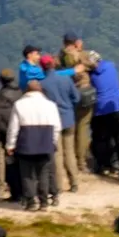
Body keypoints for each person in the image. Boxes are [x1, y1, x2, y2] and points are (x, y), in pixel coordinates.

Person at [6, 80, 61, 210]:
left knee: (27, 174)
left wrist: (10, 145)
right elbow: (57, 126)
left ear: (27, 90)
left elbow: (13, 127)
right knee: (43, 173)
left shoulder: (19, 105)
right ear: (40, 90)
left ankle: (31, 201)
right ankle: (44, 202)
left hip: (26, 143)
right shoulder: (51, 105)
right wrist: (53, 142)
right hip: (45, 142)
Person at [40, 55, 81, 194]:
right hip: (68, 118)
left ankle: (58, 186)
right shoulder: (65, 79)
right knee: (70, 152)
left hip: (53, 121)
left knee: (57, 154)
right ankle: (74, 182)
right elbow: (77, 97)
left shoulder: (43, 84)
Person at [59, 33, 95, 173]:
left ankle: (69, 160)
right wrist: (80, 50)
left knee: (70, 128)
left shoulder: (60, 57)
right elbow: (95, 64)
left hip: (68, 94)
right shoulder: (81, 55)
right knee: (83, 127)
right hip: (84, 93)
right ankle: (81, 162)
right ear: (75, 43)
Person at [89, 56, 119, 180]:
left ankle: (101, 165)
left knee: (100, 139)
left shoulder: (92, 75)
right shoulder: (110, 66)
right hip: (116, 106)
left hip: (100, 110)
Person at [0, 69, 24, 201]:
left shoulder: (2, 95)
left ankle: (15, 193)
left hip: (7, 133)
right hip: (23, 132)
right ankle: (23, 191)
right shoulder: (20, 92)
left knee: (10, 163)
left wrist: (4, 129)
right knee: (21, 163)